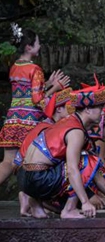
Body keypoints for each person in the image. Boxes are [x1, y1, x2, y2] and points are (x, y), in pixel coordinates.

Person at [17, 83, 105, 219]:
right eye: (100, 108)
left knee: (79, 160)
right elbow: (73, 169)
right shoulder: (76, 131)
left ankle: (36, 204)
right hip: (39, 179)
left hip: (24, 179)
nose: (102, 112)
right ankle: (69, 209)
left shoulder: (67, 121)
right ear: (87, 109)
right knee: (84, 161)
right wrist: (85, 202)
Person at [0, 24, 69, 188]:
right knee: (31, 162)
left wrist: (47, 83)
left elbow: (25, 93)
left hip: (12, 121)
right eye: (38, 43)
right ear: (29, 47)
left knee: (8, 162)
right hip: (29, 123)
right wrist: (56, 88)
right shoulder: (35, 69)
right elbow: (38, 100)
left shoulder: (14, 67)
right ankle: (31, 203)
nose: (40, 46)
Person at [14, 88, 73, 217]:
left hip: (22, 173)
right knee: (76, 163)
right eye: (70, 106)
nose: (73, 110)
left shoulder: (43, 125)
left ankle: (29, 197)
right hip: (32, 175)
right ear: (59, 109)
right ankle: (34, 197)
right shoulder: (50, 129)